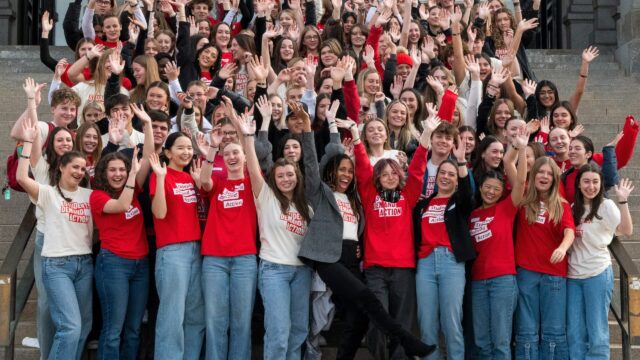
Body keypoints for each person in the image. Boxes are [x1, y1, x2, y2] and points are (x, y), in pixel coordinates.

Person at [297, 101, 436, 359]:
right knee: (374, 316)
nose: (390, 176)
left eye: (394, 173)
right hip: (370, 265)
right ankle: (391, 351)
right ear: (377, 179)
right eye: (384, 174)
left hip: (401, 266)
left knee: (368, 318)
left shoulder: (405, 197)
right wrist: (357, 138)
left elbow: (417, 170)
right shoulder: (368, 196)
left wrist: (426, 135)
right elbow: (360, 165)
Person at [236, 103, 314, 359]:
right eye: (280, 176)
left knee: (298, 332)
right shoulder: (265, 196)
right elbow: (251, 166)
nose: (285, 179)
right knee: (279, 333)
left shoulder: (306, 205)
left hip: (302, 271)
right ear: (274, 179)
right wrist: (247, 137)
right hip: (274, 270)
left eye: (289, 175)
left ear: (296, 176)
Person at [18, 118, 93, 360]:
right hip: (57, 264)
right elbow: (21, 178)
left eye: (82, 168)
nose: (79, 172)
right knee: (70, 327)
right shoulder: (48, 193)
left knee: (83, 327)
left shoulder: (90, 195)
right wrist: (28, 142)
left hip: (84, 264)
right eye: (74, 167)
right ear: (61, 166)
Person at [197, 102, 258, 360]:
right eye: (228, 153)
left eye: (237, 153)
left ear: (244, 157)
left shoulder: (253, 184)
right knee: (215, 321)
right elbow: (204, 181)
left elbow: (254, 168)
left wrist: (246, 137)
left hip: (244, 258)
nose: (232, 156)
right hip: (214, 259)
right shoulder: (218, 183)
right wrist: (213, 148)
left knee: (242, 322)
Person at [413, 126, 475, 360]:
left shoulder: (459, 203)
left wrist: (460, 163)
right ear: (436, 177)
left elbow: (469, 196)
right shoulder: (423, 205)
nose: (446, 177)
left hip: (451, 264)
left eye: (450, 174)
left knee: (451, 323)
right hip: (426, 263)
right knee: (426, 323)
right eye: (442, 173)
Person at [468, 129, 528, 359]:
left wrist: (521, 149)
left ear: (502, 192)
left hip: (503, 280)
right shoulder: (472, 215)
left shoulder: (506, 209)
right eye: (487, 187)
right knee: (482, 341)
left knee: (500, 342)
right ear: (480, 188)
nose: (491, 192)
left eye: (496, 189)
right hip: (478, 282)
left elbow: (521, 181)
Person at [149, 132, 204, 359]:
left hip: (196, 249)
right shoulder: (160, 175)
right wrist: (161, 178)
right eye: (180, 148)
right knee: (172, 316)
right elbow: (159, 213)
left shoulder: (192, 176)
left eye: (189, 148)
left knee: (195, 316)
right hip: (172, 251)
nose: (186, 152)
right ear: (168, 152)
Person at [568, 166, 634, 359]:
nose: (591, 186)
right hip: (572, 276)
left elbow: (626, 229)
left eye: (595, 182)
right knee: (574, 331)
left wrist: (622, 201)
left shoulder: (606, 206)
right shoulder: (574, 209)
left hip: (597, 274)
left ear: (601, 184)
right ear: (579, 185)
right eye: (586, 182)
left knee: (597, 330)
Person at [514, 156, 576, 359]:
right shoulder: (523, 200)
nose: (545, 176)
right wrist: (521, 149)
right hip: (526, 272)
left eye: (550, 174)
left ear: (555, 179)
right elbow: (514, 171)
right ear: (533, 175)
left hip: (554, 275)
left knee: (553, 329)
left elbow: (570, 231)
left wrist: (562, 247)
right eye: (541, 171)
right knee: (526, 329)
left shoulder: (562, 205)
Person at [91, 149, 149, 360]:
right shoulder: (97, 196)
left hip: (140, 265)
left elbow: (149, 153)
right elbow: (122, 205)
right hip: (113, 264)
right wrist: (132, 176)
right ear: (103, 173)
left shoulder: (132, 189)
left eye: (122, 170)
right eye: (112, 170)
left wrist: (147, 126)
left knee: (133, 330)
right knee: (113, 330)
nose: (118, 174)